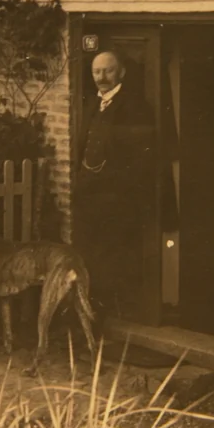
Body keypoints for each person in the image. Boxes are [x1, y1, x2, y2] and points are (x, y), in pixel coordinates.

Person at [75, 51, 156, 327]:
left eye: (108, 71)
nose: (101, 77)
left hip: (117, 198)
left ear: (121, 73)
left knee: (112, 256)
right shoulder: (91, 104)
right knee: (88, 254)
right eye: (96, 72)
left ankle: (109, 318)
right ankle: (89, 316)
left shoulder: (135, 107)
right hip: (88, 195)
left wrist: (120, 189)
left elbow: (141, 158)